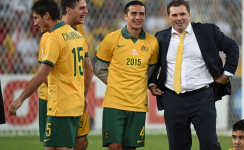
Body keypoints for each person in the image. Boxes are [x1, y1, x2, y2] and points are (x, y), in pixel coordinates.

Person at [149, 1, 239, 150]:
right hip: (173, 99)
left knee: (210, 144)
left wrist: (227, 73)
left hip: (202, 97)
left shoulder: (207, 31)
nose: (179, 18)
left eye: (182, 14)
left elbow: (232, 47)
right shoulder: (161, 37)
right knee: (178, 147)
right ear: (169, 17)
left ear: (189, 14)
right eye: (175, 15)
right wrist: (152, 83)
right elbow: (152, 64)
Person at [8, 0, 90, 149]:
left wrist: (20, 99)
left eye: (36, 18)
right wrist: (83, 95)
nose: (34, 23)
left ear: (46, 16)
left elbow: (42, 75)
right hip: (74, 102)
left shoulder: (52, 37)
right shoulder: (76, 35)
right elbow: (87, 69)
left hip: (61, 104)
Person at [93, 1, 159, 150]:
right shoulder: (111, 38)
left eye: (141, 14)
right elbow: (98, 68)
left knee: (131, 147)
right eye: (133, 13)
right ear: (125, 16)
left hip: (138, 105)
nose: (138, 17)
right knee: (114, 146)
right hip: (114, 103)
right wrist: (116, 83)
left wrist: (144, 83)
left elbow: (151, 70)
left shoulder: (152, 42)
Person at [60, 0, 93, 150]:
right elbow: (46, 72)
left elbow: (88, 68)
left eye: (86, 8)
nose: (86, 11)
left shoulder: (80, 30)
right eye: (82, 8)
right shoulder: (54, 32)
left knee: (82, 140)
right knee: (60, 143)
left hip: (77, 96)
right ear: (68, 10)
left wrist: (83, 95)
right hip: (58, 99)